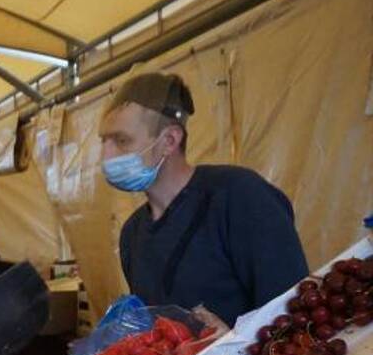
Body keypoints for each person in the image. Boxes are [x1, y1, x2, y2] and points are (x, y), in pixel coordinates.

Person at [100, 72, 309, 325]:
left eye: (121, 141)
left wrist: (234, 342)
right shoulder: (132, 235)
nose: (106, 156)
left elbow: (295, 311)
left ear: (169, 140)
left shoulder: (239, 196)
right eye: (104, 141)